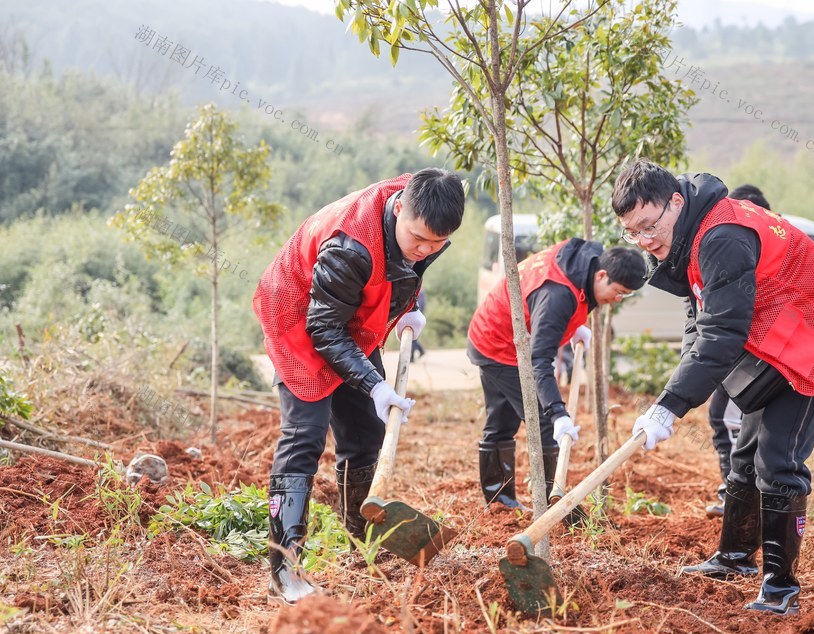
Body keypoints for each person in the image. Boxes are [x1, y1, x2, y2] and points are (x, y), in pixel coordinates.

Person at [612, 159, 814, 616]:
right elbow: (700, 318)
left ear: (676, 202)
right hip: (777, 332)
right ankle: (734, 557)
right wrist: (671, 395)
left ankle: (781, 588)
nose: (645, 241)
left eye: (649, 226)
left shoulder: (721, 236)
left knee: (777, 459)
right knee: (745, 452)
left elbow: (722, 334)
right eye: (633, 233)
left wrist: (670, 405)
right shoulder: (688, 237)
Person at [253, 168, 465, 603]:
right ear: (400, 207)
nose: (425, 249)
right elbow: (323, 329)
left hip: (346, 316)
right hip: (299, 315)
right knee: (305, 436)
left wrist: (406, 307)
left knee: (367, 429)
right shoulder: (350, 247)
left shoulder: (427, 215)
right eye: (418, 239)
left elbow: (405, 267)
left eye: (436, 244)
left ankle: (360, 532)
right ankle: (285, 568)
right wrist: (374, 383)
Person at [467, 239, 646, 511]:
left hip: (509, 335)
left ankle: (499, 501)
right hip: (498, 343)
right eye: (618, 292)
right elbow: (540, 358)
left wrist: (574, 325)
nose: (617, 300)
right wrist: (558, 412)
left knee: (502, 419)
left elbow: (569, 298)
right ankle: (554, 504)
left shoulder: (587, 257)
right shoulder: (558, 296)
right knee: (544, 422)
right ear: (601, 275)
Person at [703, 184, 773, 518]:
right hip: (734, 350)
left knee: (738, 422)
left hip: (756, 355)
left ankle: (743, 497)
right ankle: (734, 492)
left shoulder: (758, 244)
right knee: (725, 418)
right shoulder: (730, 242)